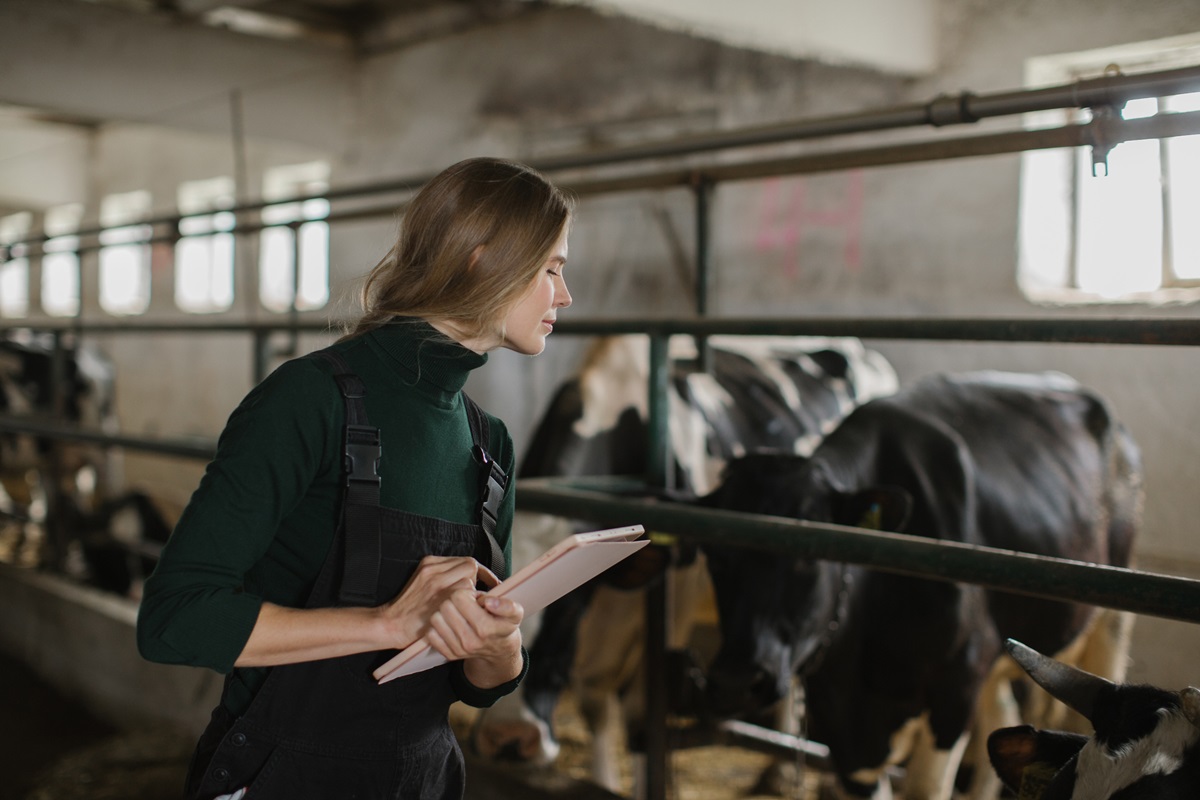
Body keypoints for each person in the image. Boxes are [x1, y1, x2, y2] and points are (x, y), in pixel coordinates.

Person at [137, 157, 575, 800]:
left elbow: (480, 688)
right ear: (483, 260)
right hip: (284, 777)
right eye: (553, 269)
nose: (564, 295)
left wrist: (501, 639)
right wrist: (386, 625)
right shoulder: (308, 400)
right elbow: (172, 619)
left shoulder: (489, 445)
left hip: (421, 778)